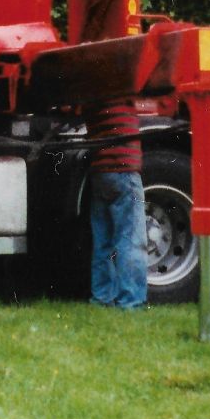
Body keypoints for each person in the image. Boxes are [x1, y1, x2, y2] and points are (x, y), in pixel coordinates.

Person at [86, 102, 146, 308]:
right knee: (131, 239)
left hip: (101, 171)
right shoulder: (123, 88)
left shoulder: (95, 95)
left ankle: (101, 297)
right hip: (124, 169)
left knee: (103, 240)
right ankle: (131, 301)